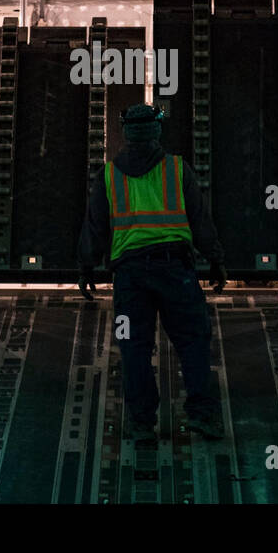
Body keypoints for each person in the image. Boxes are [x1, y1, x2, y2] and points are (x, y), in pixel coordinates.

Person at [78, 103, 229, 445]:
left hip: (130, 279)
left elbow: (95, 225)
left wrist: (86, 266)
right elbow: (201, 221)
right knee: (193, 342)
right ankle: (202, 417)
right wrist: (216, 259)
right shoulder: (178, 170)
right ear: (157, 131)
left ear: (126, 133)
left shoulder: (109, 175)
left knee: (133, 347)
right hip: (176, 271)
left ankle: (142, 423)